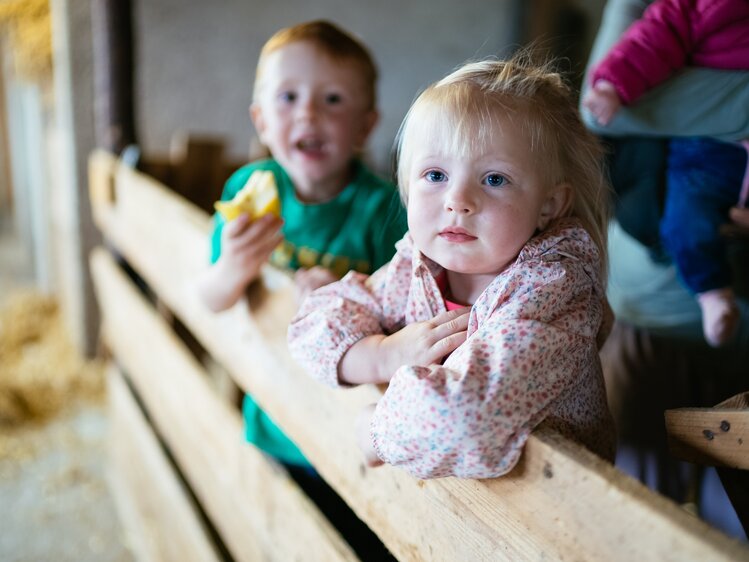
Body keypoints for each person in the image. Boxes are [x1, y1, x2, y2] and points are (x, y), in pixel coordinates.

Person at [288, 54, 616, 479]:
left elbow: (461, 419)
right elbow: (315, 320)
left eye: (494, 179)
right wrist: (383, 356)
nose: (457, 200)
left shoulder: (551, 292)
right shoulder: (418, 265)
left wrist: (376, 430)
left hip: (553, 524)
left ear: (549, 205)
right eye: (436, 174)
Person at [196, 20, 406, 557]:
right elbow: (212, 296)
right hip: (271, 416)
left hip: (353, 438)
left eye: (332, 99)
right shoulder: (246, 191)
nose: (308, 114)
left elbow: (403, 317)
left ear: (365, 125)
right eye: (288, 97)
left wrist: (342, 297)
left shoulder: (385, 211)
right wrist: (234, 266)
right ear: (262, 119)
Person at [581, 0, 749, 347]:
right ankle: (712, 292)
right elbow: (654, 38)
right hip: (709, 149)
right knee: (687, 220)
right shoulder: (691, 6)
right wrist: (614, 84)